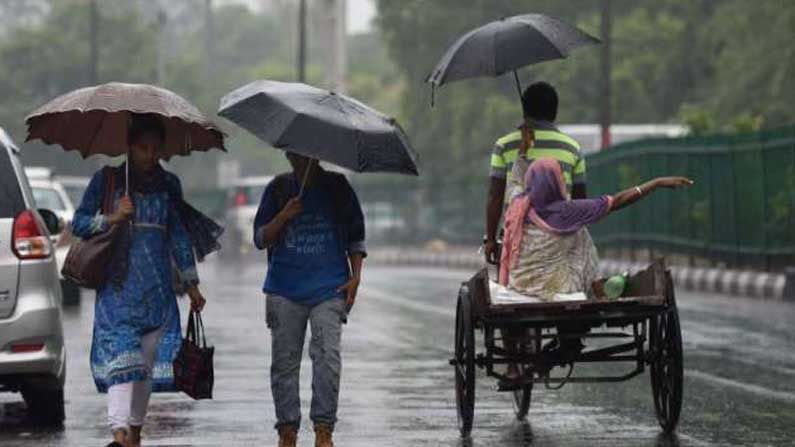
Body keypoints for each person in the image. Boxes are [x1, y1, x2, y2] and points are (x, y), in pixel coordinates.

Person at [72, 113, 219, 447]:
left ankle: (133, 434)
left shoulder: (169, 186)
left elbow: (179, 236)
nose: (150, 155)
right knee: (124, 364)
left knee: (146, 370)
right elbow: (78, 224)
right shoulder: (106, 181)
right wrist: (112, 217)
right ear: (129, 146)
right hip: (118, 293)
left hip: (159, 296)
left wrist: (192, 285)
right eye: (143, 148)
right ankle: (119, 432)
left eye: (156, 148)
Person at [499, 158, 692, 363]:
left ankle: (521, 362)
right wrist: (656, 182)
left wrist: (522, 152)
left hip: (521, 285)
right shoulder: (569, 210)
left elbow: (514, 182)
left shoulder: (517, 205)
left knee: (576, 234)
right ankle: (598, 289)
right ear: (557, 183)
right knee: (580, 233)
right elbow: (618, 201)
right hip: (559, 289)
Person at [253, 152, 366, 447]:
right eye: (295, 154)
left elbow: (356, 235)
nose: (301, 160)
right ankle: (287, 431)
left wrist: (356, 276)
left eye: (308, 155)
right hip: (284, 289)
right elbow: (260, 238)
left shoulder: (338, 187)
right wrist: (284, 216)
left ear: (318, 155)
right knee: (284, 364)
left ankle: (324, 430)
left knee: (328, 358)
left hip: (330, 288)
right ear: (288, 154)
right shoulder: (278, 188)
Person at [484, 81, 586, 264]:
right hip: (559, 241)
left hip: (516, 242)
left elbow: (495, 196)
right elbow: (580, 201)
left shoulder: (504, 146)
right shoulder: (573, 148)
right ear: (554, 112)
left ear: (525, 110)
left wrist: (490, 240)